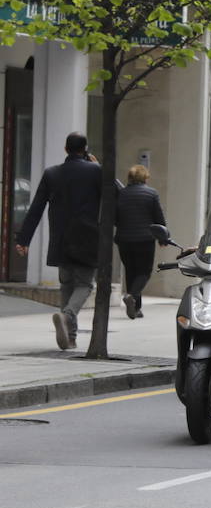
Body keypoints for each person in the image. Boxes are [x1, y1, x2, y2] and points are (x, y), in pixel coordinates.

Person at [14, 132, 102, 350]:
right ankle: (68, 315)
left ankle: (70, 338)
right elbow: (117, 192)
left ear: (65, 149)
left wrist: (24, 239)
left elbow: (36, 208)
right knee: (84, 285)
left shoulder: (52, 173)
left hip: (61, 239)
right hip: (87, 238)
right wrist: (99, 166)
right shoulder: (96, 171)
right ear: (85, 149)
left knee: (67, 285)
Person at [114, 164, 168, 319]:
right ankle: (131, 295)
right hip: (145, 240)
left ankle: (136, 308)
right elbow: (159, 218)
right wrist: (163, 237)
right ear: (145, 178)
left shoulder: (121, 194)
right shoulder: (151, 194)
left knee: (131, 271)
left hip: (124, 240)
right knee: (144, 272)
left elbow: (115, 218)